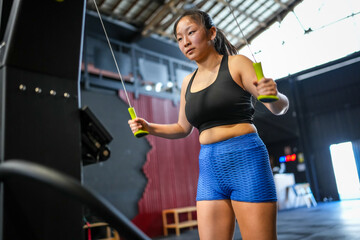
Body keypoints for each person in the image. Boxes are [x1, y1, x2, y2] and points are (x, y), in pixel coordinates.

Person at [128, 9, 289, 240]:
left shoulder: (237, 64)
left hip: (246, 160)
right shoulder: (187, 82)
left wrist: (274, 96)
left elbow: (280, 107)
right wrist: (149, 127)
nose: (185, 42)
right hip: (210, 169)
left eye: (191, 32)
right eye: (179, 38)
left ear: (211, 33)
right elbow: (182, 128)